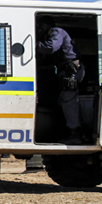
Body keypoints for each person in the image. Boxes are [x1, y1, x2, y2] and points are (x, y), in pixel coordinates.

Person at [36, 16, 85, 144]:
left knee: (69, 100)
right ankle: (78, 133)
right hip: (66, 70)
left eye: (41, 25)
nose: (39, 28)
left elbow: (50, 47)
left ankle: (76, 134)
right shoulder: (50, 35)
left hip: (71, 70)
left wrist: (34, 45)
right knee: (65, 100)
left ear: (48, 25)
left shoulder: (56, 31)